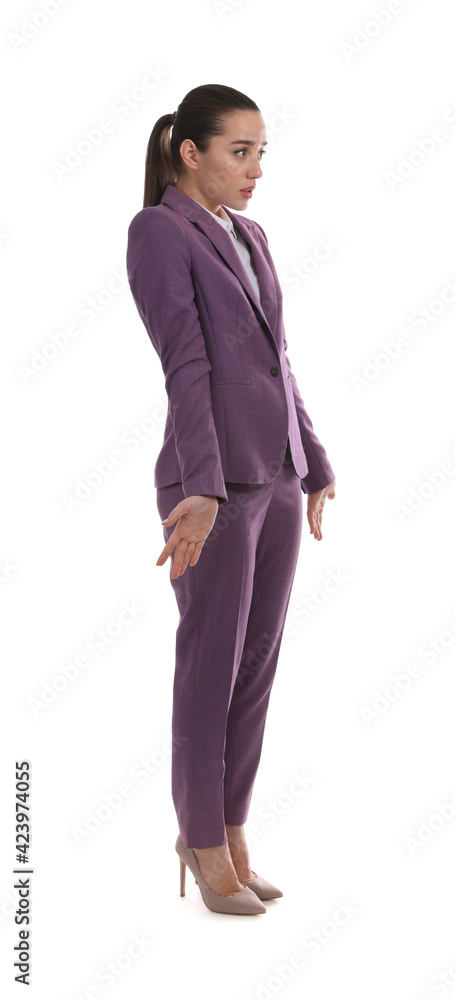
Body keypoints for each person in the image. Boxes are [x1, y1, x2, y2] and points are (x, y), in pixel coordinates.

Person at [126, 83, 336, 915]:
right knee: (210, 665)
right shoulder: (159, 231)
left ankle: (232, 828)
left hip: (275, 472)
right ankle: (200, 837)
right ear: (190, 153)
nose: (254, 170)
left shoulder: (249, 234)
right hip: (210, 485)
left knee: (255, 665)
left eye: (260, 153)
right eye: (238, 152)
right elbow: (185, 364)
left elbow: (276, 359)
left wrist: (312, 459)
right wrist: (204, 488)